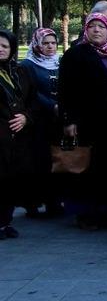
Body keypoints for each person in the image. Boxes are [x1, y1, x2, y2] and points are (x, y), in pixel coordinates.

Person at [59, 13, 107, 230]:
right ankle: (85, 214)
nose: (96, 30)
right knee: (85, 168)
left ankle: (104, 211)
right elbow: (65, 90)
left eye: (101, 26)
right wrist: (69, 120)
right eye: (92, 26)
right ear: (86, 30)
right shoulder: (75, 54)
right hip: (85, 122)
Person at [19, 28, 63, 218]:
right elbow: (31, 93)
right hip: (38, 121)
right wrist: (51, 105)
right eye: (45, 43)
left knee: (58, 159)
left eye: (53, 43)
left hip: (58, 120)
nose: (50, 47)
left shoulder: (60, 62)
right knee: (39, 162)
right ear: (37, 44)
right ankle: (32, 203)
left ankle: (54, 201)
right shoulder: (28, 65)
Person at [0, 30, 35, 239]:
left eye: (5, 46)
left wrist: (26, 117)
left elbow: (32, 99)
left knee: (11, 181)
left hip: (17, 138)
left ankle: (5, 221)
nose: (1, 50)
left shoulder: (19, 71)